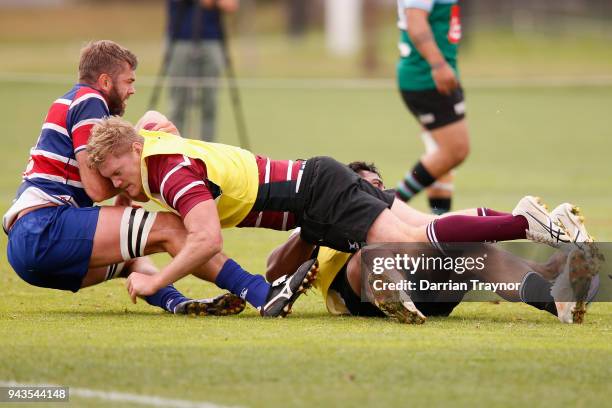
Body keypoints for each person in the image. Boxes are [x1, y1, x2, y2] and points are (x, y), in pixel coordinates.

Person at [86, 114, 576, 323]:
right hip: (331, 229)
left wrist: (157, 283)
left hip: (328, 203)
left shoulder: (168, 167)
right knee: (390, 252)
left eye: (118, 175)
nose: (119, 184)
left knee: (438, 246)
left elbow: (206, 237)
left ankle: (544, 263)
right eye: (366, 185)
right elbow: (277, 263)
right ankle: (537, 241)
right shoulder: (153, 156)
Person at [3, 41, 307, 318]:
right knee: (171, 228)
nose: (132, 90)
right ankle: (261, 293)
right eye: (128, 81)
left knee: (132, 260)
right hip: (44, 228)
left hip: (28, 250)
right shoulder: (89, 101)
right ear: (106, 81)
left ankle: (175, 302)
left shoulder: (69, 100)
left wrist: (139, 165)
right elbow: (96, 188)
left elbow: (100, 181)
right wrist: (144, 168)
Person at [266, 162, 600, 324]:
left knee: (473, 252)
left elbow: (456, 223)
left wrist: (531, 228)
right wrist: (310, 234)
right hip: (361, 294)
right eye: (366, 185)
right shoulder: (323, 216)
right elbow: (273, 270)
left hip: (431, 288)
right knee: (370, 256)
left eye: (380, 184)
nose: (377, 191)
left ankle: (557, 300)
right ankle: (391, 291)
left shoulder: (395, 216)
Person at [395, 0, 468, 215]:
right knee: (455, 150)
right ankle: (388, 204)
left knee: (440, 157)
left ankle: (439, 227)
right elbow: (415, 21)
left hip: (437, 76)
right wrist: (438, 65)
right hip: (427, 78)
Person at [166, 0, 238, 141]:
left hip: (212, 39)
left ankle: (207, 152)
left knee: (210, 103)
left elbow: (230, 5)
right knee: (178, 102)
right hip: (181, 39)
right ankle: (174, 149)